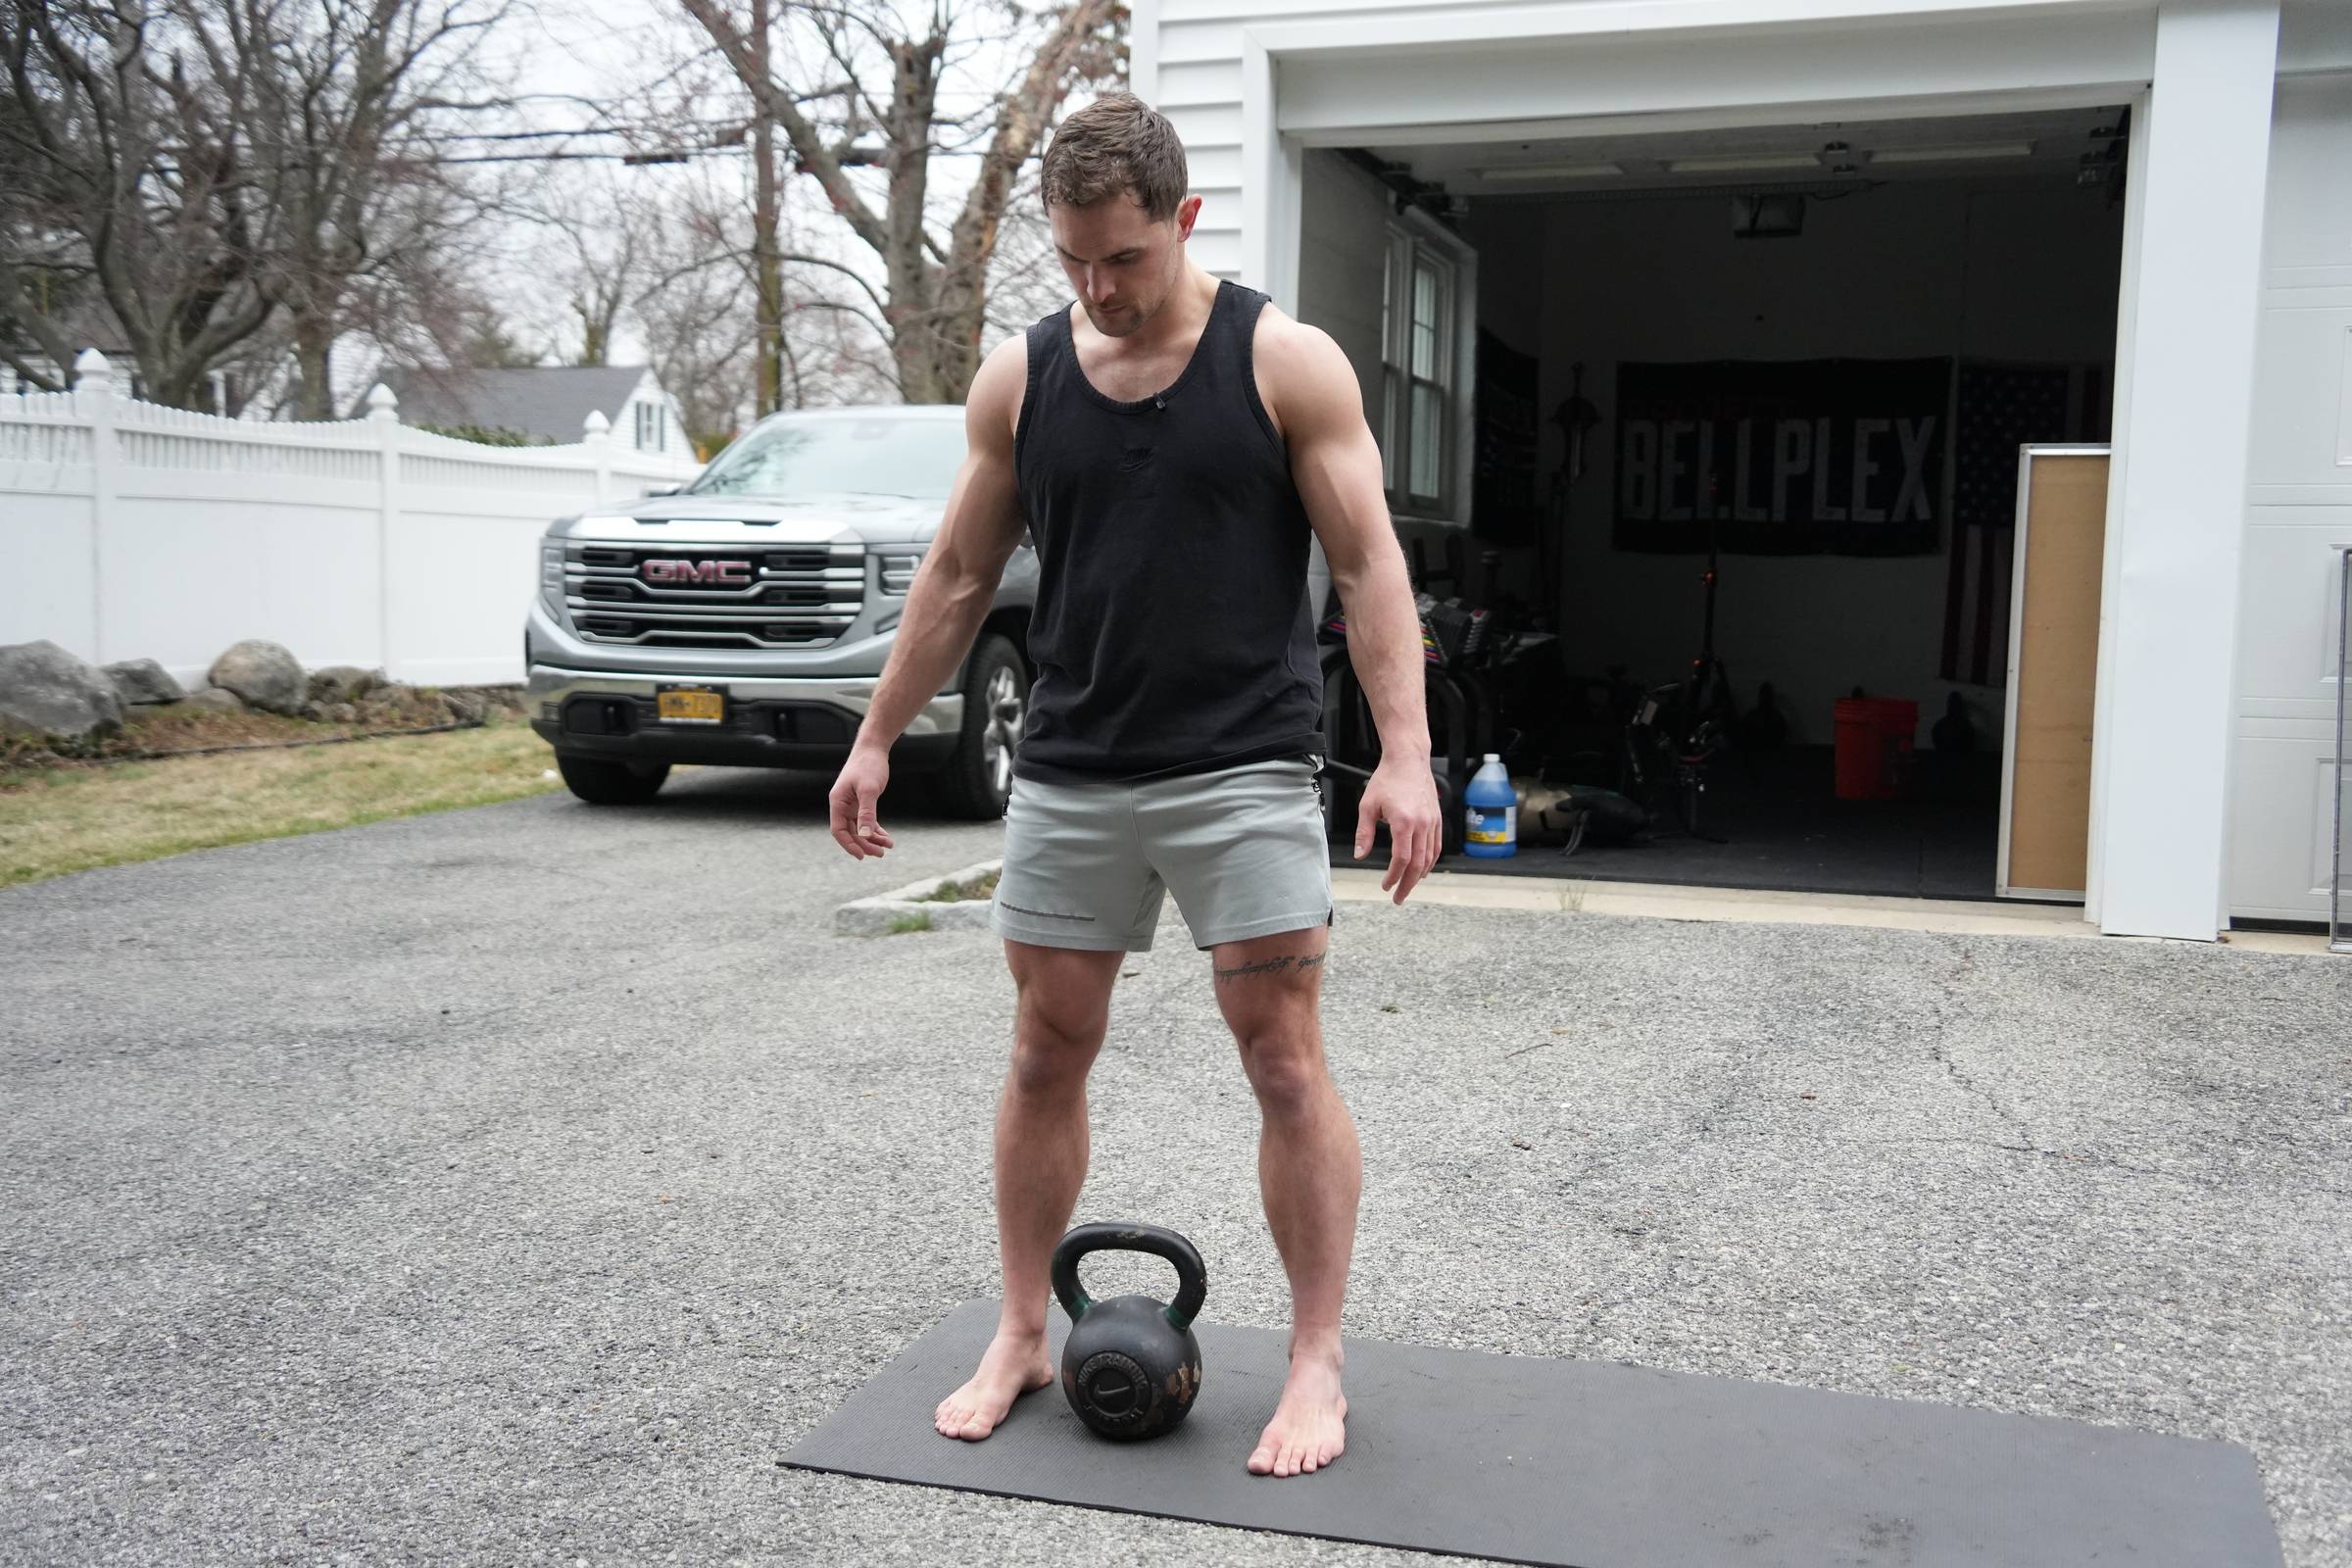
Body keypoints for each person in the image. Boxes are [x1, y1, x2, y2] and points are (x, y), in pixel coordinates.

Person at [826, 92, 1440, 1480]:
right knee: (1045, 1049)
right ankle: (1023, 1328)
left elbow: (1367, 566)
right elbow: (958, 575)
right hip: (1074, 769)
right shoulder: (1021, 379)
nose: (1100, 289)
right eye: (1075, 260)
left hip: (1244, 765)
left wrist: (1406, 755)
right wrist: (875, 738)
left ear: (1184, 220)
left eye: (1126, 258)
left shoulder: (1284, 363)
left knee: (1282, 1058)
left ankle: (1317, 1361)